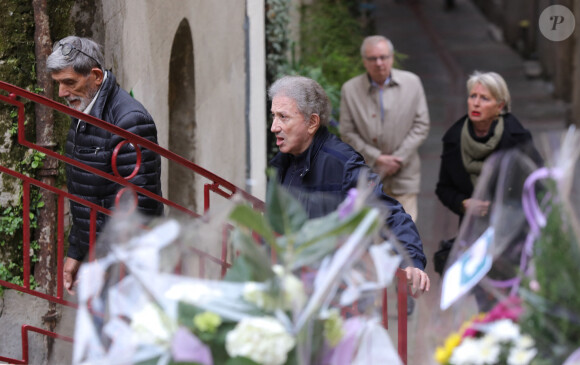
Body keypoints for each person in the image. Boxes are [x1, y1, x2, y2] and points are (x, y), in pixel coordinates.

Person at [269, 75, 430, 297]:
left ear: (312, 123)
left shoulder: (342, 161)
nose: (273, 127)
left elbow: (386, 212)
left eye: (283, 117)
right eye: (273, 116)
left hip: (336, 293)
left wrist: (411, 261)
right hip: (295, 288)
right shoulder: (280, 165)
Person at [47, 36, 163, 294]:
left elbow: (139, 202)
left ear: (96, 76)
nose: (62, 93)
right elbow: (85, 195)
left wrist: (108, 261)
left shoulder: (129, 119)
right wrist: (76, 251)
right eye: (58, 84)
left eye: (69, 82)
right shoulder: (84, 111)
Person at [339, 35, 430, 222]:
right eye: (373, 58)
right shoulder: (350, 90)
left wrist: (398, 159)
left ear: (392, 57)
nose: (379, 63)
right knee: (373, 240)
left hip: (404, 177)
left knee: (404, 239)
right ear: (364, 61)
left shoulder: (412, 83)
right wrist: (377, 158)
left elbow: (421, 125)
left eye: (384, 57)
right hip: (368, 179)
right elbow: (347, 133)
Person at [435, 71, 541, 221]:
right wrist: (463, 203)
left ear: (500, 106)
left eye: (484, 98)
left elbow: (538, 180)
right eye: (473, 96)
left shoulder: (516, 137)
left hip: (511, 226)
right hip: (472, 229)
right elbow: (443, 188)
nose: (476, 103)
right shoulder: (454, 138)